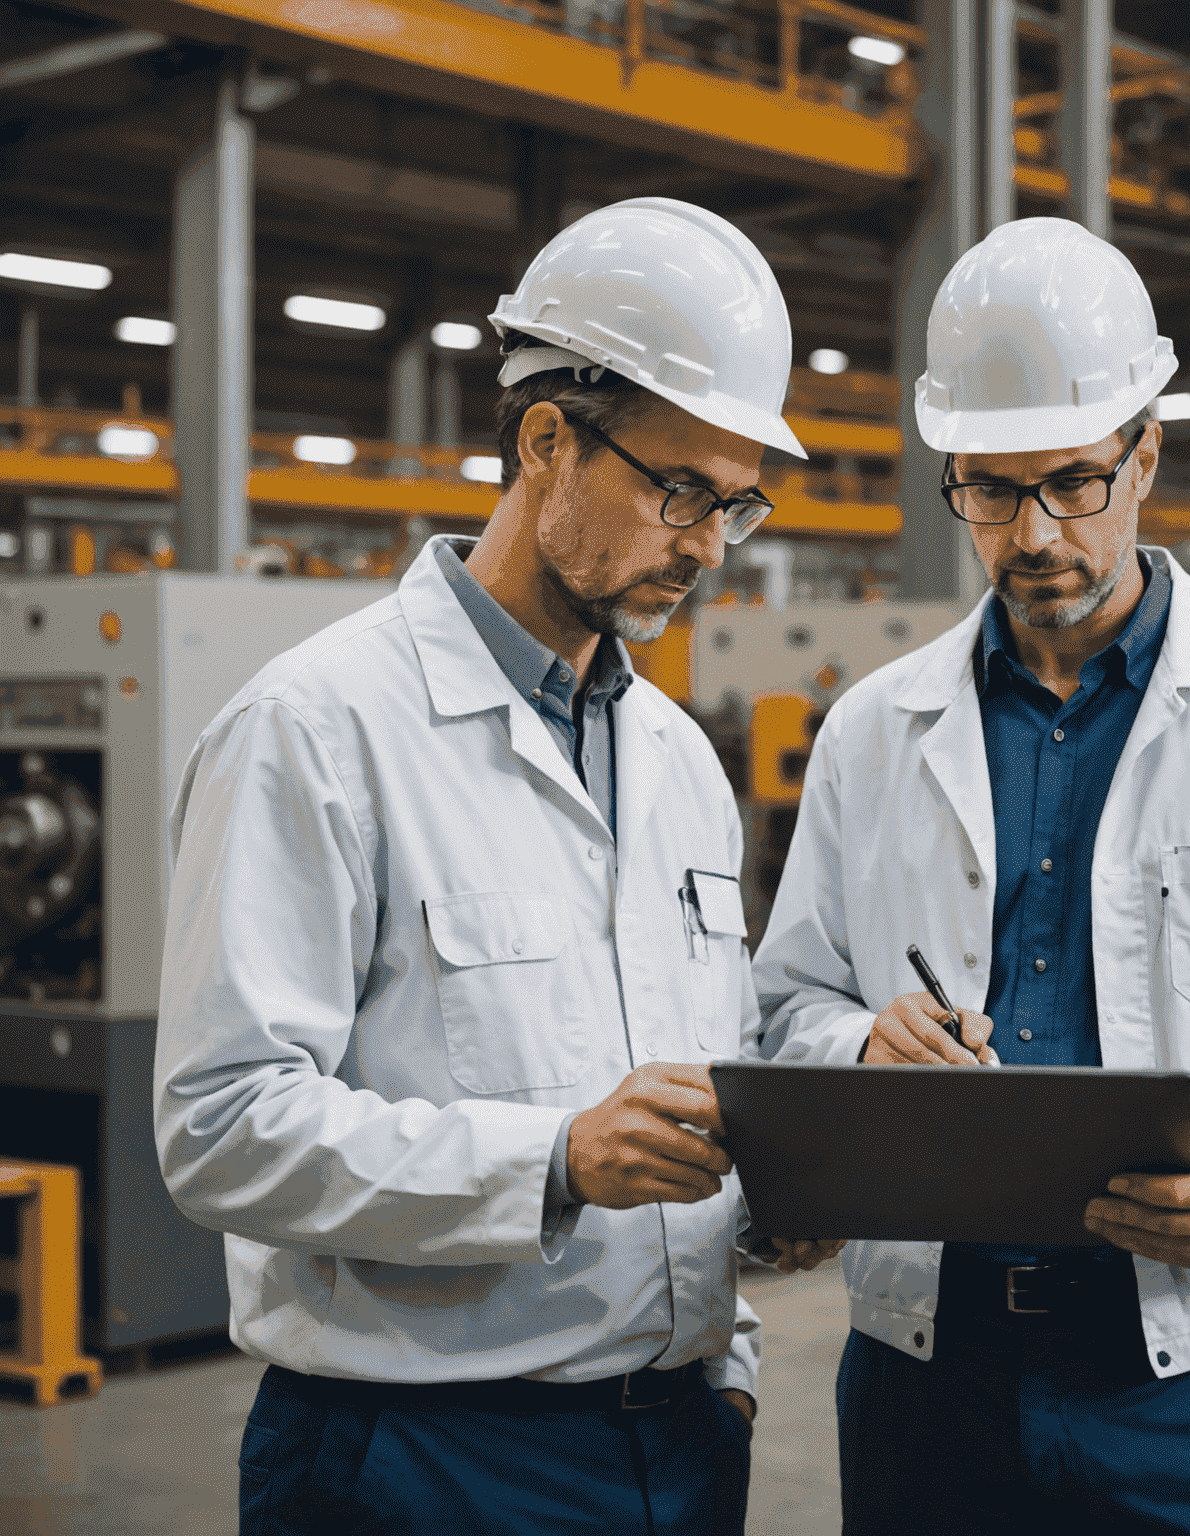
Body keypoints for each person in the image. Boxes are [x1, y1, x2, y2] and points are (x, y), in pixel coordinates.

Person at [751, 216, 1190, 1535]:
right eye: (990, 489)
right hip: (928, 1375)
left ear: (1146, 454)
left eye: (1073, 483)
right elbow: (786, 1003)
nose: (1034, 534)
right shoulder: (872, 729)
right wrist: (862, 1045)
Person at [154, 198, 838, 1536]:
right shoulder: (320, 729)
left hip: (683, 1441)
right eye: (678, 489)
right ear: (543, 442)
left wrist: (751, 1257)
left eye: (736, 505)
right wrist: (557, 1157)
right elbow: (220, 1129)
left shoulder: (679, 762)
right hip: (419, 1460)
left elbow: (690, 1092)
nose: (706, 544)